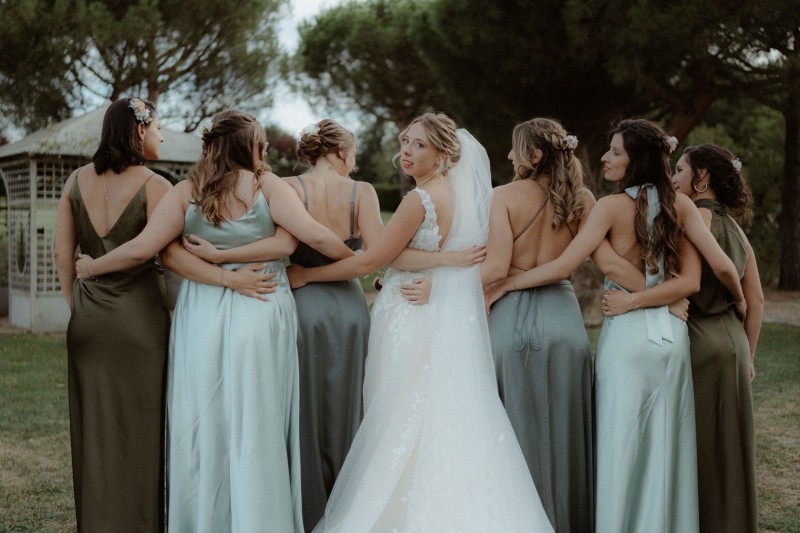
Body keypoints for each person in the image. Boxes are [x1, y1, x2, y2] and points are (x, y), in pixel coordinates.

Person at [184, 118, 484, 531]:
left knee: (301, 407)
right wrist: (384, 269)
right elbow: (379, 252)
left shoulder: (285, 187)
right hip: (348, 303)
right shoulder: (361, 192)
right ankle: (349, 503)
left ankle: (308, 512)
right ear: (341, 152)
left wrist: (304, 272)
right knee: (351, 407)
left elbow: (284, 242)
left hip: (301, 298)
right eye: (354, 152)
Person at [73, 109, 358, 532]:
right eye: (260, 143)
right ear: (249, 146)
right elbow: (306, 237)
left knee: (204, 420)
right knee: (258, 416)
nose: (264, 151)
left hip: (202, 314)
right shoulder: (267, 185)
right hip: (261, 304)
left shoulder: (186, 190)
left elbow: (151, 249)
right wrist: (362, 260)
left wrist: (93, 267)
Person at [288, 112, 554, 532]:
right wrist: (445, 262)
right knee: (436, 407)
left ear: (444, 154)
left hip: (408, 315)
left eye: (419, 146)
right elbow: (445, 257)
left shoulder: (419, 200)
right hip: (436, 312)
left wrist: (306, 274)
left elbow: (378, 257)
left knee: (396, 410)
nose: (406, 152)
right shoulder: (462, 197)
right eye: (406, 142)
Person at [486, 119, 747, 532]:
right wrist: (742, 299)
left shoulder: (609, 207)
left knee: (619, 444)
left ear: (635, 160)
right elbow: (701, 277)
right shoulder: (682, 206)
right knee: (669, 444)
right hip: (670, 336)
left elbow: (574, 264)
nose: (605, 158)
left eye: (615, 152)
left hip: (626, 334)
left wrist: (512, 282)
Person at [480, 117, 644, 532]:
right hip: (563, 322)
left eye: (515, 149)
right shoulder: (583, 197)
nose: (508, 156)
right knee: (564, 432)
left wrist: (437, 283)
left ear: (534, 155)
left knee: (509, 430)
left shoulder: (501, 196)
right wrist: (665, 293)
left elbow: (495, 266)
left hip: (507, 316)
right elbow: (607, 262)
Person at [671, 144, 762, 532]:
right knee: (732, 446)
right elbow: (756, 300)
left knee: (701, 446)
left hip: (699, 340)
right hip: (735, 346)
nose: (673, 179)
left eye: (679, 170)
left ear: (701, 176)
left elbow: (681, 280)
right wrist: (750, 356)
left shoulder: (694, 220)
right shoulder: (739, 231)